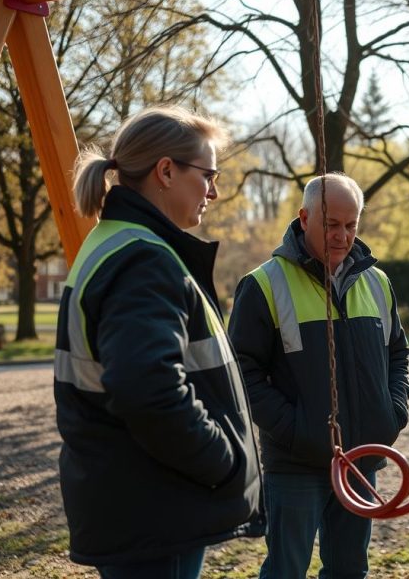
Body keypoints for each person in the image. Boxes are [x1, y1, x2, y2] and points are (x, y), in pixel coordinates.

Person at [53, 106, 264, 578]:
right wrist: (226, 464)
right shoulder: (143, 260)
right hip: (157, 509)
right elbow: (147, 389)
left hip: (140, 506)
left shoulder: (116, 243)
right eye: (208, 175)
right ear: (165, 171)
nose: (214, 190)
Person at [228, 173, 409, 579]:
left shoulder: (377, 282)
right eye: (331, 224)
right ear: (304, 217)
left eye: (351, 225)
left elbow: (397, 353)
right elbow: (242, 371)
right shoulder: (264, 285)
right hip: (295, 462)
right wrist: (295, 429)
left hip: (362, 457)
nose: (342, 236)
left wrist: (392, 412)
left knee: (349, 569)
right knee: (286, 570)